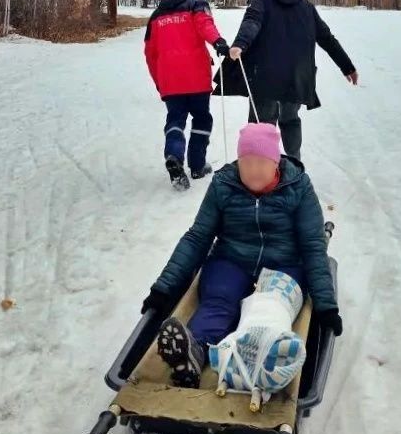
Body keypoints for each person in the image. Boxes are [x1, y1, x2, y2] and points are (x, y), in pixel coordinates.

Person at [139, 123, 343, 388]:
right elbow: (198, 237)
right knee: (219, 302)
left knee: (270, 306)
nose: (253, 170)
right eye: (247, 162)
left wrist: (325, 305)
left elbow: (313, 246)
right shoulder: (225, 184)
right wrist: (164, 288)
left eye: (261, 162)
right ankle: (193, 351)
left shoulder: (298, 187)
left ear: (275, 163)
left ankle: (258, 353)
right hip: (231, 260)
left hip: (284, 264)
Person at [218, 0, 358, 161]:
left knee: (262, 126)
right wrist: (347, 66)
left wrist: (240, 44)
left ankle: (260, 170)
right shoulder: (306, 5)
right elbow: (326, 38)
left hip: (265, 76)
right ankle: (294, 164)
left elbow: (252, 19)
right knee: (290, 120)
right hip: (297, 76)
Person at [144, 0, 230, 189]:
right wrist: (218, 42)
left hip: (170, 80)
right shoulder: (195, 5)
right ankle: (197, 165)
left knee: (175, 119)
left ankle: (174, 154)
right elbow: (205, 26)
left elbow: (149, 53)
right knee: (201, 118)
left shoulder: (156, 15)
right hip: (196, 78)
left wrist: (158, 81)